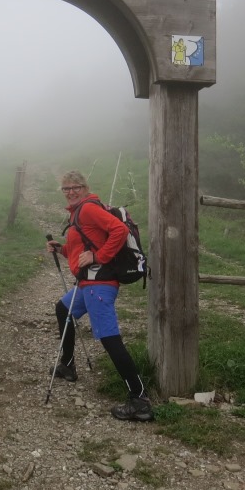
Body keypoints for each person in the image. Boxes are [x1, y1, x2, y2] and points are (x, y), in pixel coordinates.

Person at [45, 170, 154, 422]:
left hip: (99, 285)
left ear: (85, 187)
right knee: (63, 309)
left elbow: (118, 230)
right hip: (88, 283)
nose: (71, 192)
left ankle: (140, 400)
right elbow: (83, 248)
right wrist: (62, 249)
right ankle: (68, 365)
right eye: (66, 188)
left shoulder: (87, 209)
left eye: (76, 187)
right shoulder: (78, 212)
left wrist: (98, 257)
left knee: (109, 338)